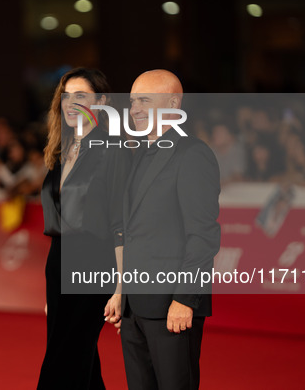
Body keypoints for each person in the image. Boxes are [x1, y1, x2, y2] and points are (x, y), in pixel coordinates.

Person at [107, 70, 221, 390]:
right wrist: (121, 293)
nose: (135, 109)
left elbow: (203, 235)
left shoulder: (193, 154)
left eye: (145, 100)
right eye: (132, 102)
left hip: (172, 306)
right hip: (134, 308)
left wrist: (185, 298)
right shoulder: (140, 152)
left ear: (173, 103)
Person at [37, 67, 130, 390]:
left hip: (95, 265)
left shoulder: (112, 150)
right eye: (66, 96)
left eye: (81, 96)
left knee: (63, 362)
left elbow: (121, 220)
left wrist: (121, 286)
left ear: (102, 101)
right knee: (80, 361)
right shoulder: (60, 152)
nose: (71, 103)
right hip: (60, 264)